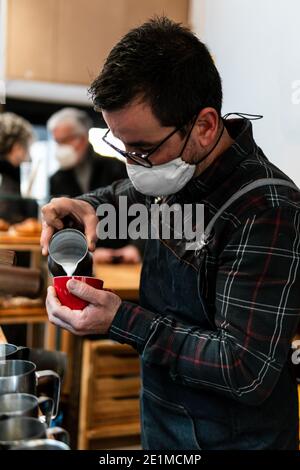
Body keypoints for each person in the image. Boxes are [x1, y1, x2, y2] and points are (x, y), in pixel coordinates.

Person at [42, 17, 300, 450]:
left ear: (204, 126)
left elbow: (245, 368)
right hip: (162, 418)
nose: (134, 165)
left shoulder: (266, 210)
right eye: (123, 148)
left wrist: (120, 319)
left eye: (142, 149)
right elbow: (122, 193)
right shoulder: (174, 172)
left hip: (232, 439)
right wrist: (86, 205)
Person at [48, 107, 141, 264]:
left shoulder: (116, 167)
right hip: (83, 258)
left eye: (64, 141)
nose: (60, 148)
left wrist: (136, 247)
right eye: (57, 142)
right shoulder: (56, 179)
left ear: (82, 138)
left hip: (125, 256)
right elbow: (61, 225)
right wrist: (86, 252)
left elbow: (139, 209)